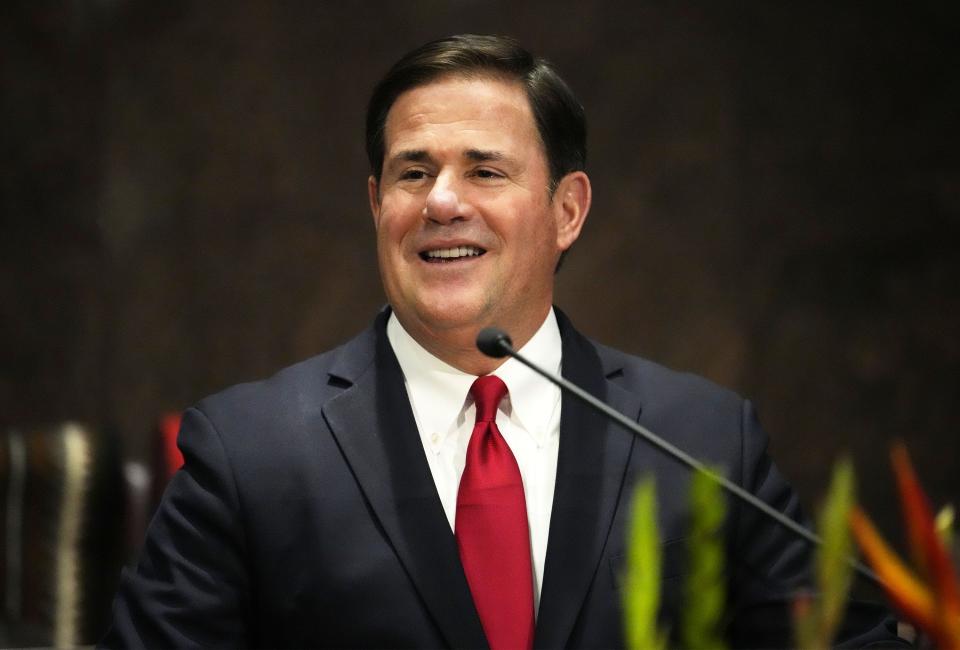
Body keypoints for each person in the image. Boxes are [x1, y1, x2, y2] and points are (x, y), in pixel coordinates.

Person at [102, 34, 902, 648]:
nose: (442, 202)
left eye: (485, 171)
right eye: (413, 174)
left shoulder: (700, 439)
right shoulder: (249, 449)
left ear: (568, 211)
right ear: (377, 203)